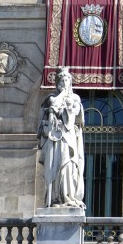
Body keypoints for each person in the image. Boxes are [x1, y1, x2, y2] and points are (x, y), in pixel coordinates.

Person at [38, 68, 86, 208]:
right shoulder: (52, 98)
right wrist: (63, 94)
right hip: (56, 139)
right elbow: (53, 106)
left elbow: (76, 114)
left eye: (67, 80)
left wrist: (66, 102)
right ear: (58, 83)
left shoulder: (75, 98)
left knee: (69, 165)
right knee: (56, 166)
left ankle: (68, 196)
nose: (65, 83)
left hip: (69, 137)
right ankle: (55, 199)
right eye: (62, 81)